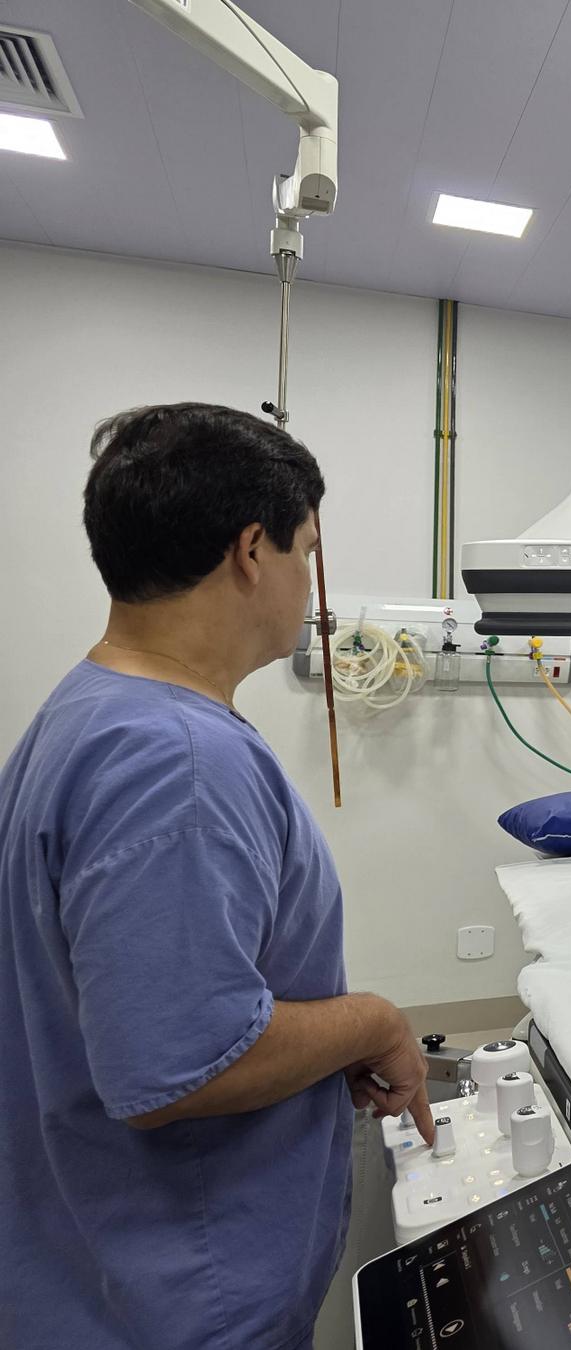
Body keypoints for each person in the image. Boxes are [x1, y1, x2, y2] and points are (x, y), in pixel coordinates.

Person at [0, 403, 436, 1349]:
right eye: (306, 551)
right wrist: (372, 1023)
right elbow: (175, 1067)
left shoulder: (85, 714)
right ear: (251, 551)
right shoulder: (180, 764)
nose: (309, 584)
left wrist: (317, 1053)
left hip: (86, 1261)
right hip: (179, 1294)